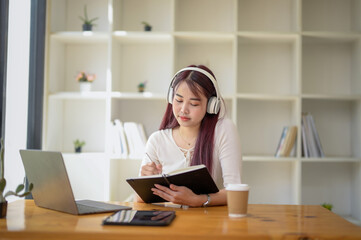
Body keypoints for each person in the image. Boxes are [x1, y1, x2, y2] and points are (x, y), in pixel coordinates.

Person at [137, 64, 242, 207]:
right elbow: (139, 200)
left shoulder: (223, 130)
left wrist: (198, 200)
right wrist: (146, 179)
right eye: (179, 101)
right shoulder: (157, 140)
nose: (183, 110)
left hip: (208, 224)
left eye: (193, 103)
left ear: (211, 105)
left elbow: (235, 191)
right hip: (168, 222)